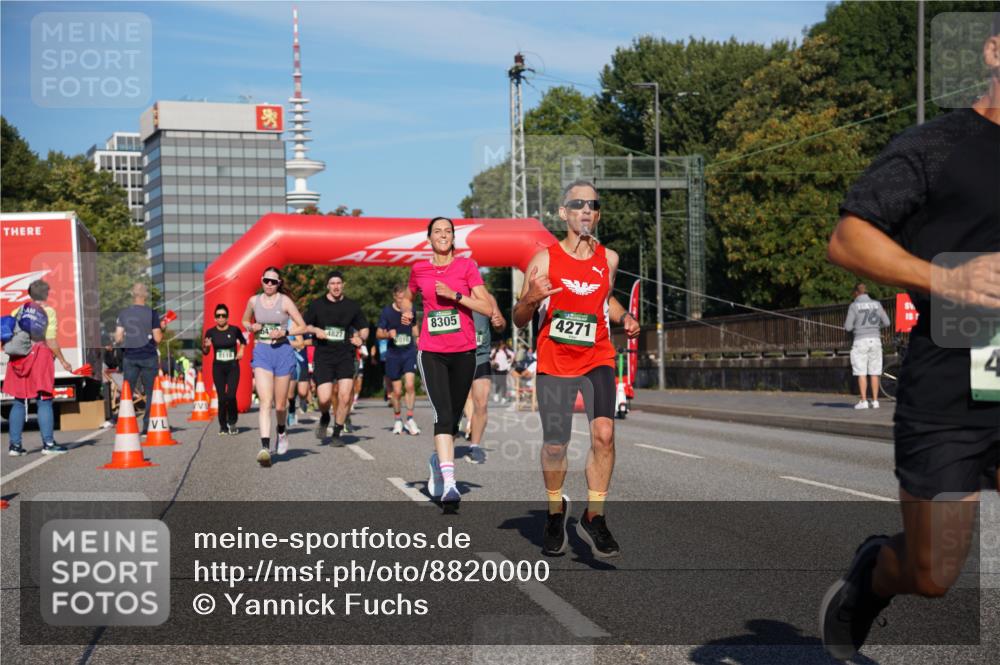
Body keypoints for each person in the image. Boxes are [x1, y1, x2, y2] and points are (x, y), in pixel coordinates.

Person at [820, 14, 1000, 660]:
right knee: (933, 573)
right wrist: (943, 278)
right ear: (993, 49)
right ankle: (874, 573)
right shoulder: (940, 144)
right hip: (951, 390)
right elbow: (849, 238)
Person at [513, 180, 640, 558]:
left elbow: (606, 300)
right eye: (578, 204)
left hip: (597, 356)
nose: (586, 210)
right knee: (556, 445)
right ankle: (555, 512)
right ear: (563, 213)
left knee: (604, 434)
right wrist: (531, 299)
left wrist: (625, 316)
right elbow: (520, 318)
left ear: (597, 214)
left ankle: (594, 517)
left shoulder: (610, 259)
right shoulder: (544, 259)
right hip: (555, 361)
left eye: (593, 205)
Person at [400, 216, 502, 505]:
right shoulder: (419, 268)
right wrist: (408, 312)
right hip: (431, 351)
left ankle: (437, 462)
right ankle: (449, 484)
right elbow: (408, 297)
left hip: (465, 351)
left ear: (453, 238)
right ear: (429, 238)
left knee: (454, 418)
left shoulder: (467, 267)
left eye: (448, 231)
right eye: (438, 232)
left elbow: (485, 305)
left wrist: (456, 295)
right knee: (442, 415)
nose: (443, 235)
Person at [241, 266, 307, 466]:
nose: (269, 284)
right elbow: (244, 320)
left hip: (283, 353)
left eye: (273, 281)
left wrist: (285, 333)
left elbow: (302, 325)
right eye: (266, 280)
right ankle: (264, 447)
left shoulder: (285, 301)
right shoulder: (253, 301)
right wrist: (251, 327)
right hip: (262, 352)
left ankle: (281, 431)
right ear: (261, 280)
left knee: (280, 405)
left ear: (279, 283)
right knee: (265, 401)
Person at [4, 279, 73, 455]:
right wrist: (63, 360)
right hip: (39, 357)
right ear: (46, 294)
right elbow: (50, 340)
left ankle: (15, 446)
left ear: (30, 293)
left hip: (18, 358)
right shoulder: (48, 312)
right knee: (44, 400)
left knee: (19, 401)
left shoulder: (18, 310)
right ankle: (48, 444)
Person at [301, 271, 369, 444]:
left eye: (339, 283)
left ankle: (337, 433)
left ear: (343, 285)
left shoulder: (352, 306)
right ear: (327, 286)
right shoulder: (317, 305)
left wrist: (361, 338)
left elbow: (364, 327)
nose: (336, 286)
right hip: (323, 355)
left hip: (345, 355)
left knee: (345, 396)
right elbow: (304, 325)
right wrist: (316, 330)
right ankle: (325, 416)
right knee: (324, 398)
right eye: (332, 283)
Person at [115, 282, 164, 435]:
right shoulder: (152, 313)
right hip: (148, 356)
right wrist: (161, 328)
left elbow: (118, 338)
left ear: (132, 295)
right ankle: (147, 427)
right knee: (151, 392)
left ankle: (127, 425)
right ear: (146, 295)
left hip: (130, 356)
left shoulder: (124, 314)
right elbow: (158, 338)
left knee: (127, 392)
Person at [461, 300, 506, 462]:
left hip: (481, 356)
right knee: (455, 405)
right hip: (458, 356)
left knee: (482, 402)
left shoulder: (487, 297)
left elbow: (501, 325)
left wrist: (499, 323)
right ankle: (443, 452)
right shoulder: (453, 293)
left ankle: (475, 446)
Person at [377, 284, 422, 436]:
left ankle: (409, 418)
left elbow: (415, 325)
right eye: (400, 298)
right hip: (393, 355)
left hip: (408, 352)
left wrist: (418, 339)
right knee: (397, 391)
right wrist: (388, 334)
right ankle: (397, 419)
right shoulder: (387, 312)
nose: (403, 301)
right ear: (394, 297)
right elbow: (378, 333)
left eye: (405, 298)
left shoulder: (411, 309)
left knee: (409, 385)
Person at [844, 282, 890, 409]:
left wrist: (856, 327)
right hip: (875, 340)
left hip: (860, 341)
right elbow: (887, 322)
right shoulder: (877, 304)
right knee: (875, 372)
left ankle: (864, 401)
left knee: (861, 372)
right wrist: (875, 328)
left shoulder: (854, 306)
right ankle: (875, 401)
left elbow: (848, 327)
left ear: (856, 293)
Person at [203, 304, 246, 436]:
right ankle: (223, 426)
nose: (221, 318)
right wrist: (207, 346)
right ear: (215, 318)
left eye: (223, 315)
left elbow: (243, 341)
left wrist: (241, 351)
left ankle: (232, 422)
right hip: (218, 368)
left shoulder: (234, 330)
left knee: (231, 396)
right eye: (218, 316)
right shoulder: (210, 332)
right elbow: (205, 351)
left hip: (233, 366)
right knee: (222, 398)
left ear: (227, 317)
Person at [490, 338, 514, 403]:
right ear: (499, 345)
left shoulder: (506, 351)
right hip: (497, 369)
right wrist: (493, 363)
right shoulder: (495, 351)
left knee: (504, 383)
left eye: (503, 344)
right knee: (498, 382)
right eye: (501, 344)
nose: (502, 346)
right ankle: (496, 394)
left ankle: (503, 397)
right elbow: (490, 358)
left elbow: (513, 355)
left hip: (504, 368)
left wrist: (509, 363)